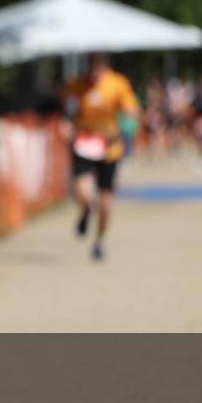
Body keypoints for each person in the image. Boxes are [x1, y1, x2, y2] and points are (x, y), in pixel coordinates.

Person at [61, 53, 140, 261]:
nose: (95, 74)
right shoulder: (77, 85)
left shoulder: (118, 84)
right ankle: (86, 210)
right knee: (84, 192)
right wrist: (67, 124)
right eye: (92, 68)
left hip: (108, 148)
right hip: (84, 143)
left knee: (105, 202)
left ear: (106, 68)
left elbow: (131, 110)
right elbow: (68, 110)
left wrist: (124, 127)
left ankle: (99, 241)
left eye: (99, 68)